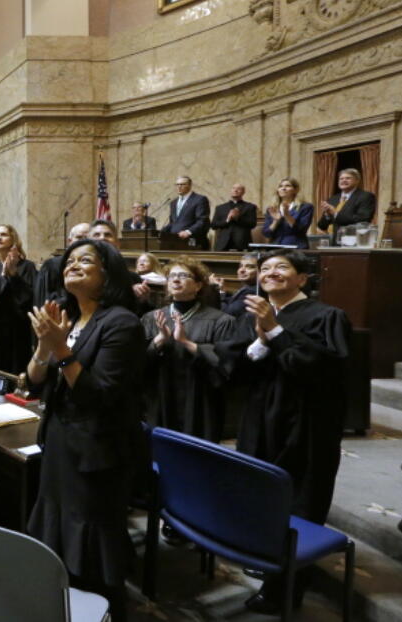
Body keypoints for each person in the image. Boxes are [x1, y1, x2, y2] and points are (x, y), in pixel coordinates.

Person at [217, 250, 351, 614]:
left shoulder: (327, 316)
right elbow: (233, 371)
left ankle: (286, 590)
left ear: (302, 279)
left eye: (281, 267)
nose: (270, 273)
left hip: (306, 426)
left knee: (300, 505)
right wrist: (258, 343)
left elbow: (321, 373)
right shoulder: (255, 316)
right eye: (265, 268)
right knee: (260, 497)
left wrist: (275, 333)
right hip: (260, 420)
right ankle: (264, 557)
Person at [25, 239, 145, 622]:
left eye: (85, 261)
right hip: (61, 443)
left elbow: (100, 395)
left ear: (106, 275)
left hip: (98, 452)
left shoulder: (121, 323)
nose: (72, 265)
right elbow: (33, 382)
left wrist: (61, 351)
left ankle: (105, 612)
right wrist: (45, 348)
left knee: (94, 544)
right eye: (69, 261)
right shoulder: (69, 319)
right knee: (58, 531)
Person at [141, 256, 235, 442]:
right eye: (171, 276)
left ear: (199, 285)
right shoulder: (151, 318)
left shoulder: (221, 321)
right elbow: (136, 363)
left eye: (183, 275)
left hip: (201, 400)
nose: (175, 280)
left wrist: (187, 343)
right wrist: (158, 341)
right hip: (161, 397)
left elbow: (226, 364)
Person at [0, 223, 36, 375]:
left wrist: (14, 275)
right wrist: (2, 277)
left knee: (17, 375)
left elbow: (30, 298)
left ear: (13, 239)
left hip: (18, 329)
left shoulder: (27, 267)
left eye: (3, 234)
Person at [34, 222, 91, 307]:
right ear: (70, 241)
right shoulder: (52, 265)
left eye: (87, 238)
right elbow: (42, 299)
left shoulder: (96, 266)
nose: (83, 241)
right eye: (79, 237)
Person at [316, 168, 377, 244]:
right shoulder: (333, 199)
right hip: (334, 242)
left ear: (357, 181)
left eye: (348, 178)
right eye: (341, 179)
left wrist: (335, 213)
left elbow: (363, 219)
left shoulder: (366, 197)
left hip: (354, 242)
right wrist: (327, 215)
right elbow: (322, 226)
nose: (343, 180)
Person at [261, 176, 313, 248]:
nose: (283, 188)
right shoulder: (272, 208)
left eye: (288, 186)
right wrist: (275, 221)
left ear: (296, 190)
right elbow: (266, 233)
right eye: (280, 186)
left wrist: (287, 215)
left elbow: (301, 230)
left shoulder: (305, 207)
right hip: (275, 247)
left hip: (296, 247)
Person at [160, 176, 211, 249]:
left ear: (190, 185)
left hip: (193, 241)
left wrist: (188, 232)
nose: (179, 187)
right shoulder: (173, 202)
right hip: (174, 242)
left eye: (182, 184)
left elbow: (203, 221)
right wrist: (160, 232)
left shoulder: (199, 199)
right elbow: (173, 223)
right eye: (177, 184)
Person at [211, 183, 258, 251]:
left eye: (238, 189)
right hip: (223, 245)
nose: (235, 190)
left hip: (242, 244)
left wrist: (237, 218)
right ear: (230, 191)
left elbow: (252, 224)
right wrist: (227, 220)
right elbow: (213, 225)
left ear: (243, 192)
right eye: (233, 188)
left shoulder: (250, 207)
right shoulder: (220, 207)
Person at [213, 253, 259, 318]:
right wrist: (222, 290)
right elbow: (233, 301)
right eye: (240, 266)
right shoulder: (249, 287)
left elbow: (226, 313)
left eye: (249, 267)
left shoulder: (253, 291)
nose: (242, 270)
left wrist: (221, 293)